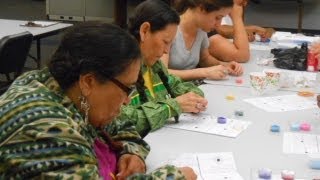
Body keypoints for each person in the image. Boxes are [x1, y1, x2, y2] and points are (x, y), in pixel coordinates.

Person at [0, 22, 196, 180]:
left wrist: (131, 152)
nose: (127, 101)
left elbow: (123, 127)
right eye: (126, 89)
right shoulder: (45, 128)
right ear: (88, 81)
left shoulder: (69, 92)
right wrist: (171, 177)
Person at [119, 0, 208, 138]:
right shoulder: (120, 67)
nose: (167, 51)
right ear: (145, 31)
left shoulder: (154, 65)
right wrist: (171, 107)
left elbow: (175, 84)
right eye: (165, 42)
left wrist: (193, 97)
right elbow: (120, 120)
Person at [161, 0, 244, 81]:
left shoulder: (201, 30)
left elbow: (205, 59)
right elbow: (162, 73)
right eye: (217, 18)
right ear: (201, 9)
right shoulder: (168, 29)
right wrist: (204, 72)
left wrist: (225, 65)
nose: (218, 25)